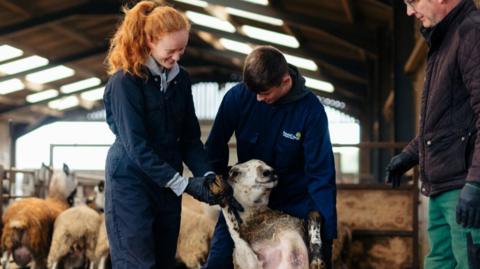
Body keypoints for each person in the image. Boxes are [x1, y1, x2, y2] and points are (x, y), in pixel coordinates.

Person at [103, 2, 236, 268]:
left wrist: (207, 176)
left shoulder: (180, 79)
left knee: (164, 261)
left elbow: (189, 139)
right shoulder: (125, 82)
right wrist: (185, 185)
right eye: (171, 50)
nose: (177, 57)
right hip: (131, 182)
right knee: (138, 264)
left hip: (166, 185)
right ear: (150, 41)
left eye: (182, 49)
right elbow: (137, 147)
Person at [202, 45, 337, 269]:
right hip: (248, 201)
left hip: (294, 201)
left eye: (264, 94)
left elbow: (320, 173)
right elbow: (215, 145)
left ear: (285, 82)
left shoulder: (311, 111)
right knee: (218, 261)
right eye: (254, 92)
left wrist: (326, 236)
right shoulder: (239, 97)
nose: (257, 99)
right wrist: (217, 184)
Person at [385, 0, 480, 268]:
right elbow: (447, 121)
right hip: (442, 186)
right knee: (438, 261)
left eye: (412, 1)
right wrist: (410, 154)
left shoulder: (471, 33)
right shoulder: (444, 39)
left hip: (465, 187)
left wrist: (476, 183)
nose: (409, 11)